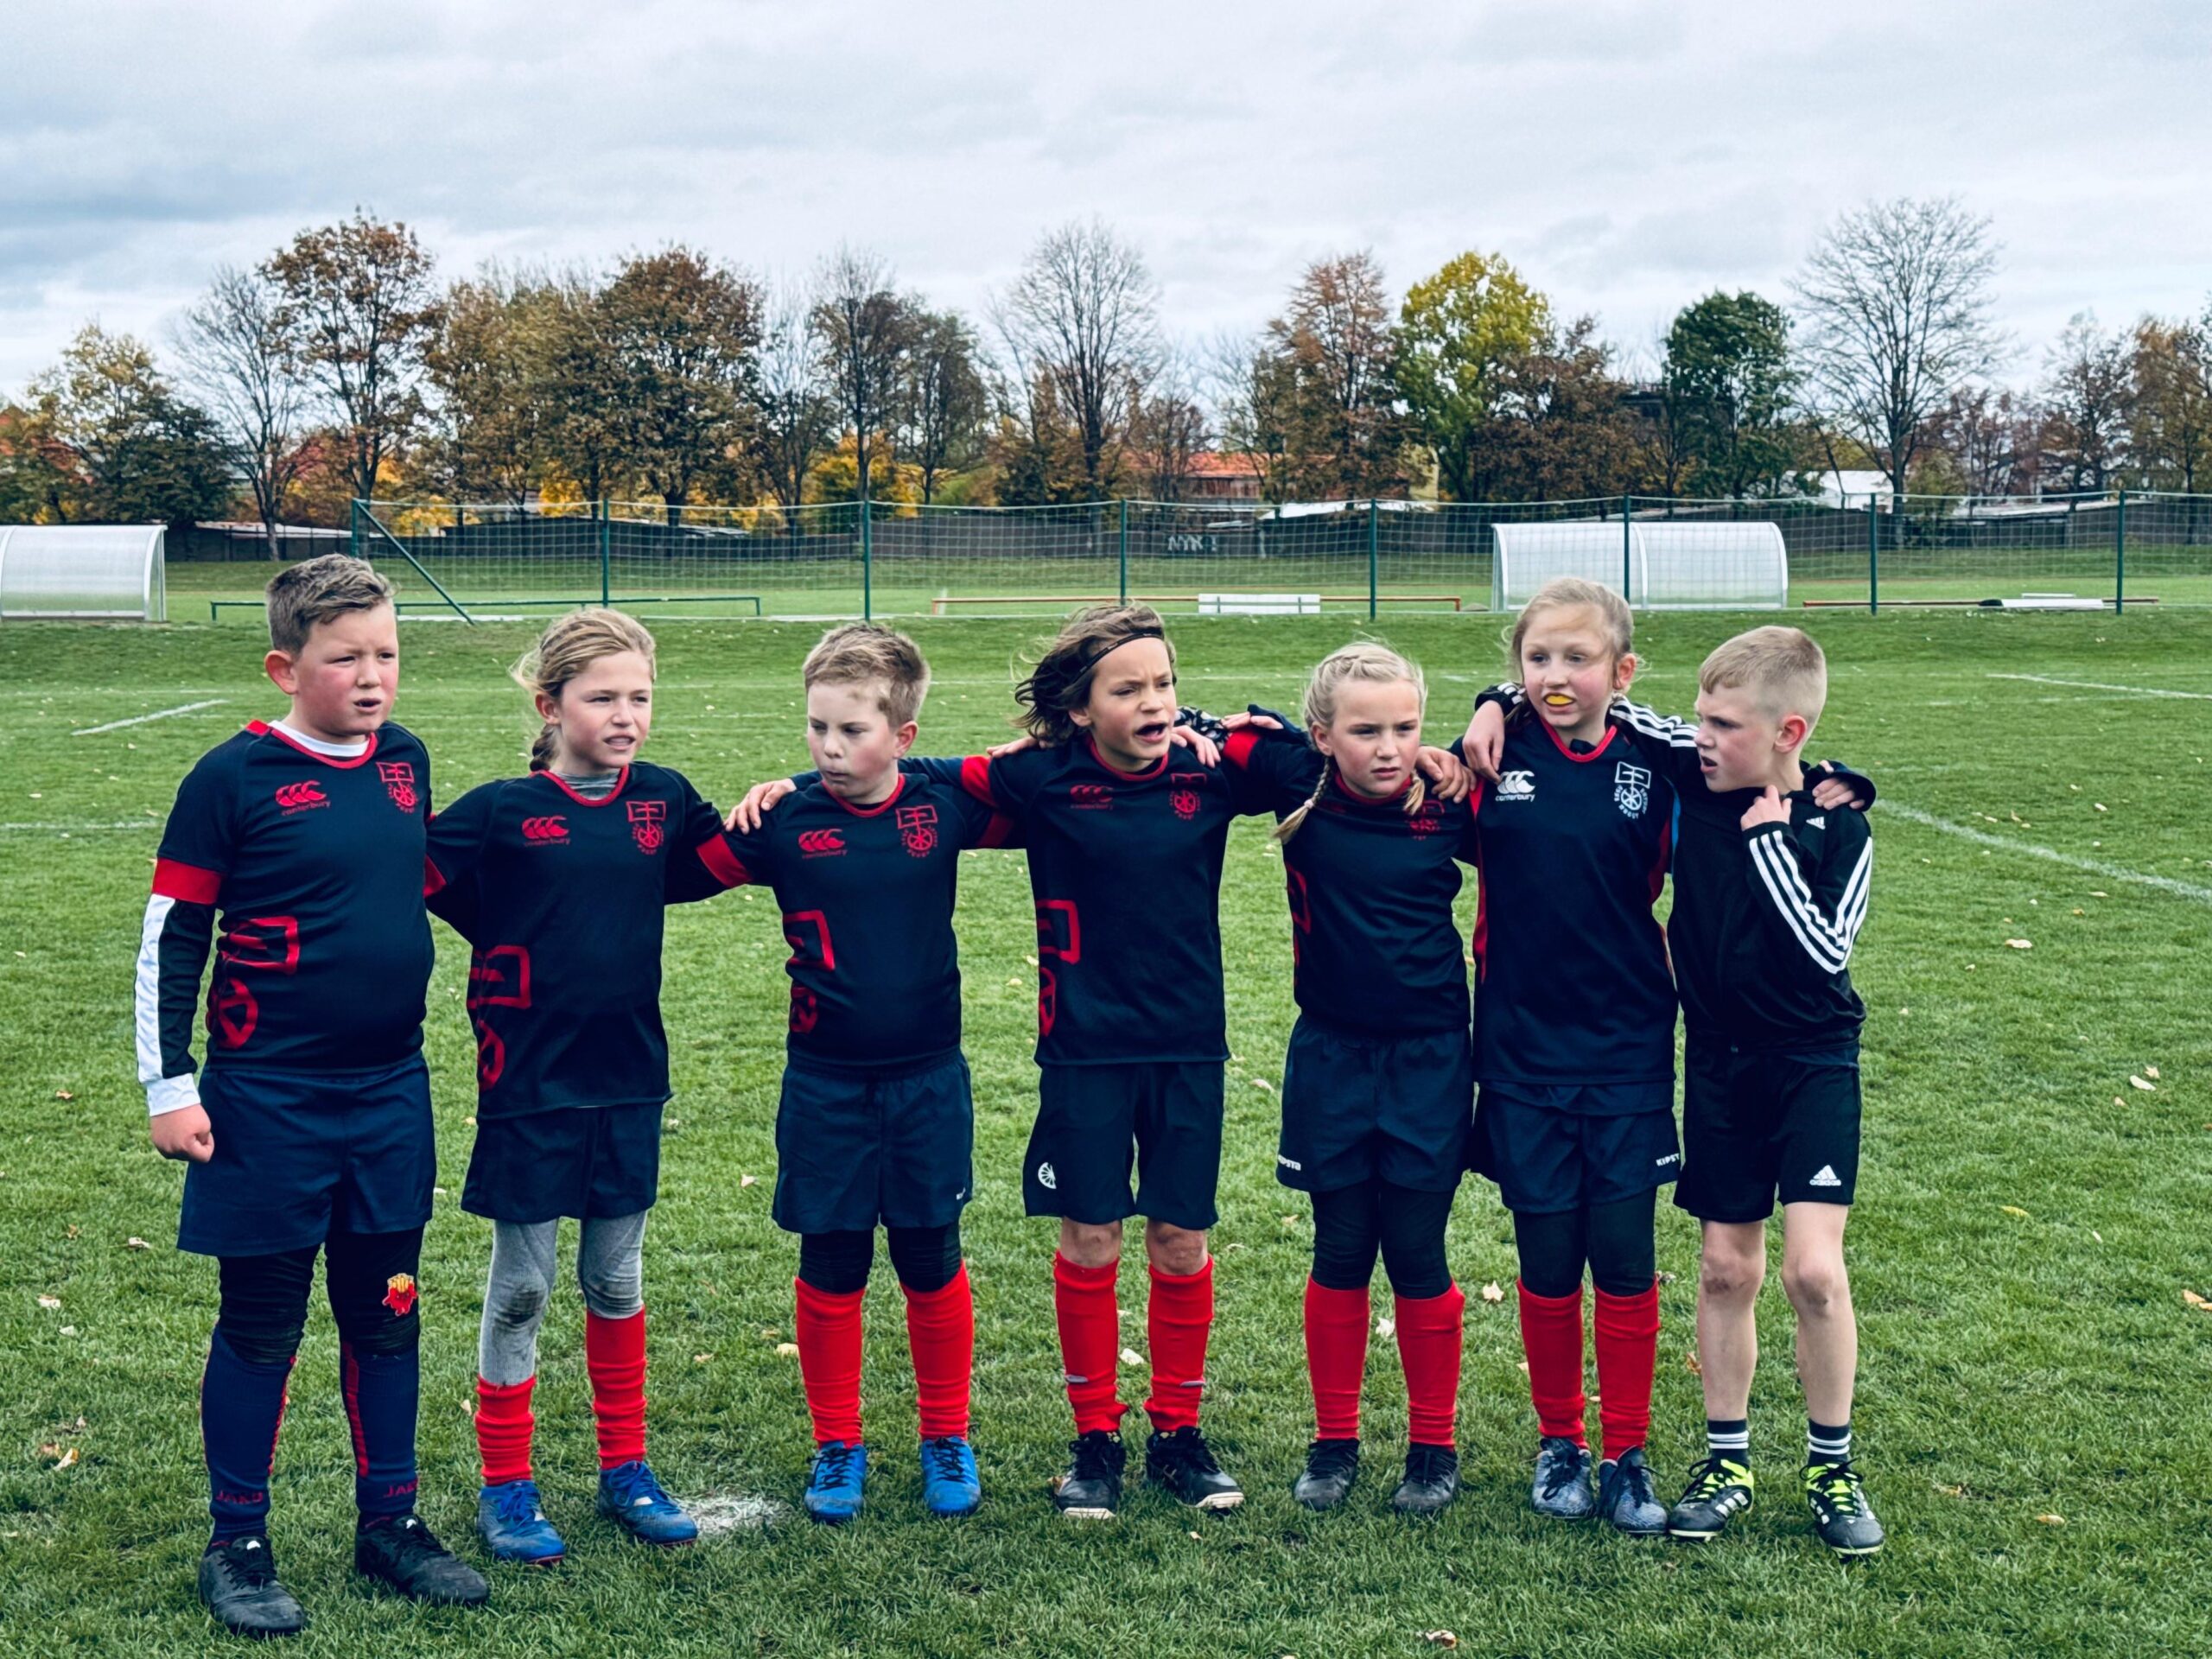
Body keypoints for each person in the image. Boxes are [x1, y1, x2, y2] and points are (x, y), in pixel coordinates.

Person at [728, 604, 1271, 1519]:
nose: (1152, 701)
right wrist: (795, 782)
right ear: (1081, 707)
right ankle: (1090, 1441)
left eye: (1163, 685)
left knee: (1180, 1241)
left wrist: (1212, 722)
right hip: (1075, 1051)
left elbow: (1314, 757)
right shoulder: (1035, 777)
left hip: (1187, 1047)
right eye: (1129, 688)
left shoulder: (1205, 767)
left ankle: (1176, 1434)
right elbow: (910, 774)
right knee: (1082, 1238)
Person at [1465, 620, 1880, 1556]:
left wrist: (1773, 841)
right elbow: (1600, 702)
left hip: (1813, 1060)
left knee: (1813, 1273)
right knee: (1725, 1268)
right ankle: (1726, 1461)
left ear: (1788, 734)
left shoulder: (1838, 826)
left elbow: (1825, 953)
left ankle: (1832, 1466)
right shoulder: (1690, 774)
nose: (1703, 738)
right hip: (1720, 1062)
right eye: (1701, 719)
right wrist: (1495, 700)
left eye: (1724, 726)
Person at [137, 554, 486, 1638]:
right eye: (345, 659)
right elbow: (173, 935)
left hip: (389, 1093)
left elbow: (424, 885)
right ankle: (237, 1542)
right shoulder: (231, 777)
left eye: (386, 654)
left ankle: (391, 1523)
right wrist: (169, 1085)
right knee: (262, 1321)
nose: (372, 676)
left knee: (387, 1313)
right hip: (266, 1099)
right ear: (286, 668)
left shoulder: (406, 761)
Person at [424, 609, 744, 1564]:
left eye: (639, 697)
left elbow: (723, 861)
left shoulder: (663, 799)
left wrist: (785, 800)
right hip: (529, 1082)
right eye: (602, 698)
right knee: (523, 1287)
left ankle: (625, 1469)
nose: (625, 716)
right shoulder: (500, 810)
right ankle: (506, 1485)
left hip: (629, 1077)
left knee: (614, 1278)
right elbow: (422, 878)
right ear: (549, 705)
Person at [712, 624, 1015, 1523]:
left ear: (903, 735)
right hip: (824, 1084)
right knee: (833, 1258)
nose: (830, 748)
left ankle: (945, 1436)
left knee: (929, 1254)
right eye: (817, 728)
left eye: (853, 730)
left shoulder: (944, 805)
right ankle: (837, 1443)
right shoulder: (783, 820)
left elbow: (1052, 791)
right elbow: (674, 869)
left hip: (928, 1080)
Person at [1217, 643, 1478, 1516]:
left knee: (1415, 1251)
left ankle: (1433, 1448)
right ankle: (1333, 1445)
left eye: (1406, 727)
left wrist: (1488, 710)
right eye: (1366, 730)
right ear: (1324, 736)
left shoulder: (1448, 799)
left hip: (1429, 1060)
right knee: (1339, 1248)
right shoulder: (1296, 777)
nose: (1390, 747)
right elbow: (1208, 734)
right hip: (1330, 1056)